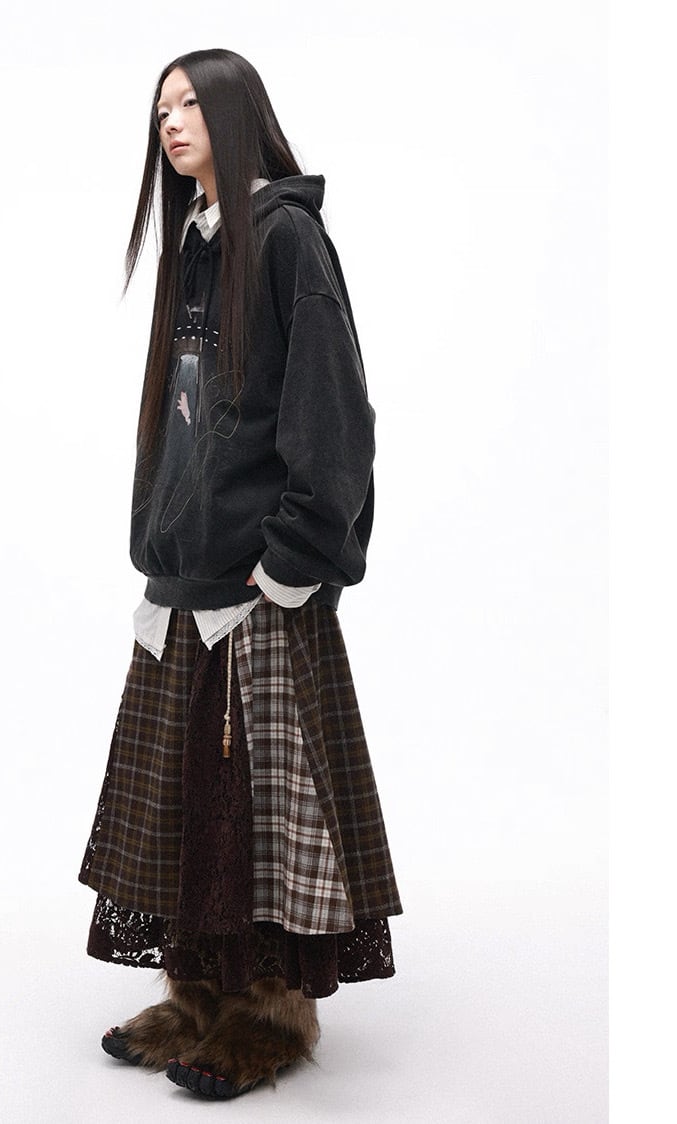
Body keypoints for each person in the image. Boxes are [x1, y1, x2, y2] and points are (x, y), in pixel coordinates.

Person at [77, 47, 402, 1100]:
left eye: (188, 104)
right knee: (188, 799)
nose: (170, 123)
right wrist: (159, 546)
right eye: (159, 109)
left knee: (260, 808)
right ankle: (191, 999)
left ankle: (268, 1017)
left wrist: (293, 561)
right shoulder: (198, 241)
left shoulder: (286, 237)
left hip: (261, 587)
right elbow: (181, 428)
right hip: (188, 583)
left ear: (234, 111)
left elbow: (334, 409)